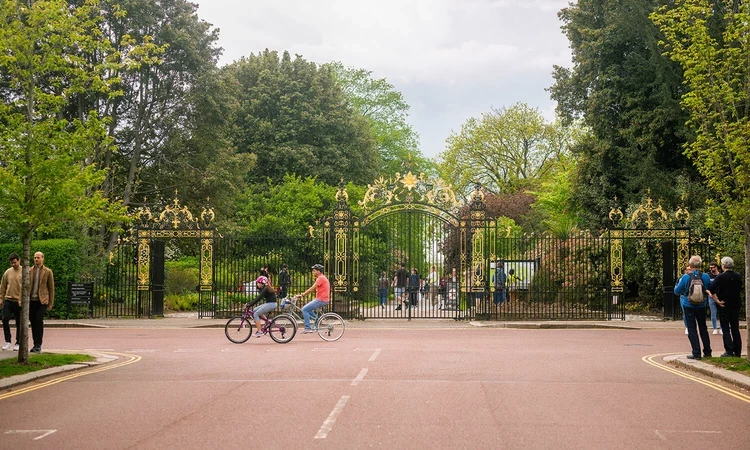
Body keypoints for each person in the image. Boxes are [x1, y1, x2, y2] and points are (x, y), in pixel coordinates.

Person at [673, 255, 712, 360]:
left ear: (690, 265)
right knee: (703, 328)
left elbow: (676, 291)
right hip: (702, 305)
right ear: (700, 265)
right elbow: (709, 288)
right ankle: (707, 351)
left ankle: (696, 352)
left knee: (692, 329)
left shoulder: (685, 277)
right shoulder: (705, 276)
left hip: (688, 304)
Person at [706, 257, 743, 357]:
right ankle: (738, 351)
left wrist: (717, 300)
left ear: (723, 266)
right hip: (735, 303)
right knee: (735, 328)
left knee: (726, 328)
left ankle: (729, 350)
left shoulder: (721, 277)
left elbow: (711, 289)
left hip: (724, 304)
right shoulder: (738, 276)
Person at [28, 251, 54, 353]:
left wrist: (50, 303)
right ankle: (35, 344)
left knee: (39, 321)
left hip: (42, 301)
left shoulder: (48, 272)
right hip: (31, 300)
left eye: (38, 258)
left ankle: (39, 344)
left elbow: (51, 288)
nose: (36, 259)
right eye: (35, 258)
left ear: (43, 258)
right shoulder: (30, 270)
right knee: (33, 323)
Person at [298, 264, 330, 333]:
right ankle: (317, 320)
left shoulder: (321, 278)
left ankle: (307, 328)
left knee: (304, 309)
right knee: (308, 310)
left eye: (314, 271)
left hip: (321, 299)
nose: (313, 272)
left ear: (319, 271)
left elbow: (312, 288)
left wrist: (302, 295)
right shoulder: (322, 277)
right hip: (321, 299)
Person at [0, 253, 22, 351]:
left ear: (19, 260)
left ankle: (18, 342)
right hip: (8, 299)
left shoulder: (25, 271)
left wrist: (22, 299)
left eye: (15, 262)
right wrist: (1, 298)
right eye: (12, 263)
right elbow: (3, 286)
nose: (13, 264)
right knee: (5, 318)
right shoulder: (8, 272)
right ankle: (7, 341)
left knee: (19, 323)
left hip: (19, 301)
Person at [707, 261, 722, 335]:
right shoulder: (709, 276)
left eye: (713, 267)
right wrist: (709, 293)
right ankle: (715, 328)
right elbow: (706, 287)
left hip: (720, 296)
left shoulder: (721, 276)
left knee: (722, 313)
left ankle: (722, 328)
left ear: (716, 267)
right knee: (713, 313)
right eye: (710, 268)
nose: (711, 269)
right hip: (712, 297)